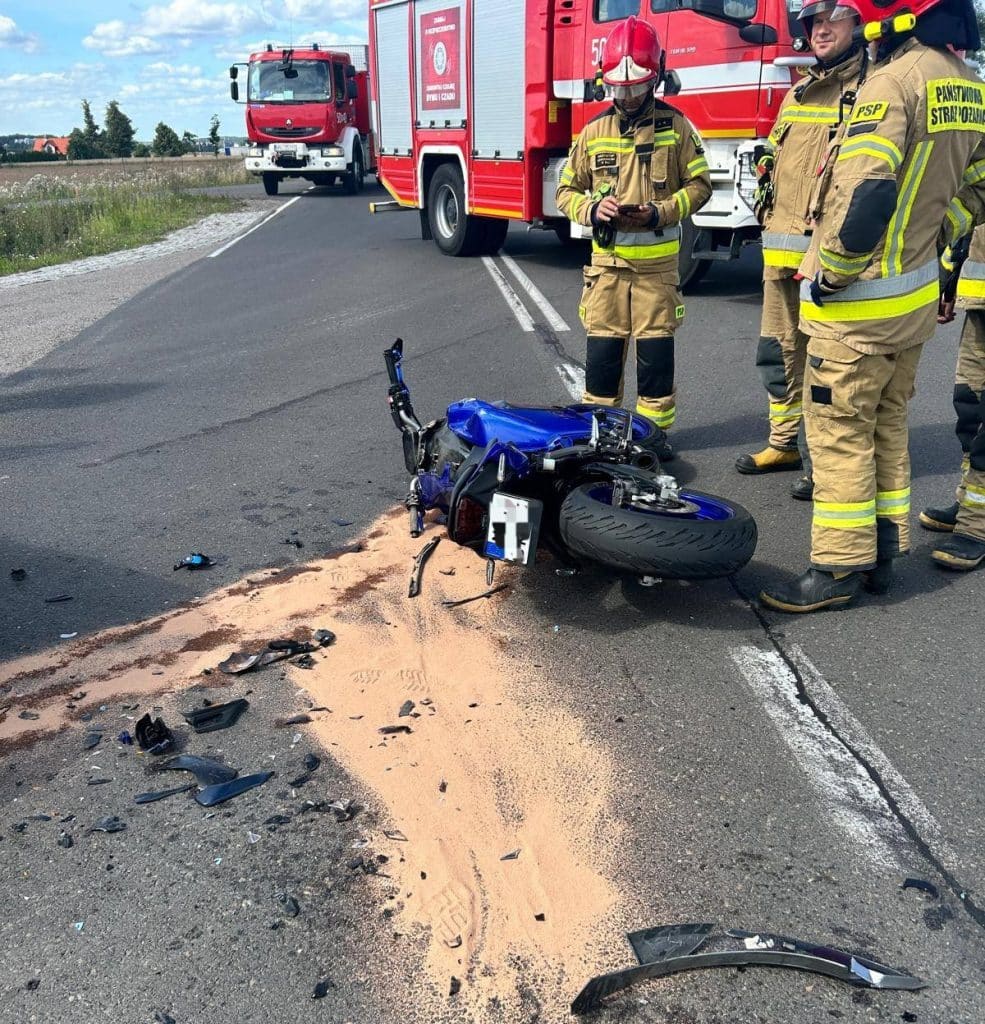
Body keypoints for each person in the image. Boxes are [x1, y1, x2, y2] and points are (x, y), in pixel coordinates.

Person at [759, 0, 985, 613]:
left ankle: (835, 570)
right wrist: (935, 235)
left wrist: (831, 271)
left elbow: (867, 194)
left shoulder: (890, 83)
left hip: (856, 309)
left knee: (838, 436)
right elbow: (976, 188)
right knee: (886, 429)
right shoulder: (965, 83)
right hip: (907, 307)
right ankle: (883, 554)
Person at [556, 16, 711, 457]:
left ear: (656, 77)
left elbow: (701, 186)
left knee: (655, 365)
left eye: (635, 87)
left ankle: (653, 440)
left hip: (657, 274)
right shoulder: (593, 132)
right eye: (618, 88)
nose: (625, 97)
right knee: (601, 364)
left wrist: (661, 211)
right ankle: (601, 442)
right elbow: (565, 190)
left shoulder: (677, 128)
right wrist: (591, 208)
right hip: (606, 271)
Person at [735, 1, 866, 502]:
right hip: (781, 249)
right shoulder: (798, 92)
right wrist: (766, 167)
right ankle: (783, 444)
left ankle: (821, 459)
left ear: (858, 22)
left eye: (832, 17)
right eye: (812, 21)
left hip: (826, 258)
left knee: (825, 363)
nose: (819, 29)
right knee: (777, 353)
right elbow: (775, 148)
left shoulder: (869, 92)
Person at [920, 226, 985, 570]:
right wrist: (951, 279)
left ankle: (978, 524)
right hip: (980, 299)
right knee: (970, 404)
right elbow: (974, 215)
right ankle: (970, 503)